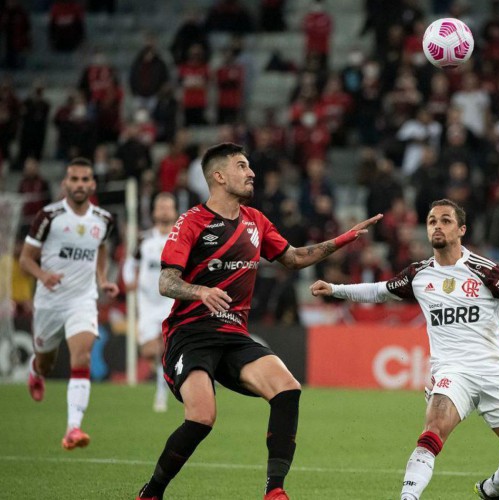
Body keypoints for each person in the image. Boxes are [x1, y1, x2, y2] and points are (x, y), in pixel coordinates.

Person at [136, 143, 382, 500]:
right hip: (190, 334)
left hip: (233, 335)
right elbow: (166, 282)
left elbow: (294, 258)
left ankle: (275, 491)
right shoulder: (191, 222)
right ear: (219, 177)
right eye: (242, 166)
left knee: (287, 388)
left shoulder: (256, 221)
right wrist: (200, 292)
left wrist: (343, 239)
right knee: (202, 418)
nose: (251, 173)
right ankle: (152, 493)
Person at [310, 199, 499, 500]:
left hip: (495, 372)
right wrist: (335, 290)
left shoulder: (486, 271)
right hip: (452, 373)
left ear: (461, 230)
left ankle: (489, 490)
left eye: (445, 221)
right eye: (431, 221)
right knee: (432, 431)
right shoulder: (419, 274)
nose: (437, 226)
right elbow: (381, 290)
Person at [18, 157, 119, 450]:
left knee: (82, 357)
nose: (79, 185)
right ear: (65, 183)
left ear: (93, 184)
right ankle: (36, 371)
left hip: (82, 299)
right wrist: (42, 275)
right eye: (74, 179)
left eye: (85, 179)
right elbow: (25, 258)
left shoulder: (103, 219)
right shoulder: (48, 217)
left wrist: (101, 279)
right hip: (49, 300)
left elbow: (101, 249)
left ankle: (73, 428)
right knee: (47, 362)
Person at [122, 193, 179, 412]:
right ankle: (164, 381)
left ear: (175, 212)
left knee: (163, 347)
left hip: (170, 302)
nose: (164, 210)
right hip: (146, 303)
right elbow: (130, 264)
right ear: (154, 212)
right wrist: (130, 281)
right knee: (148, 352)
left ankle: (161, 393)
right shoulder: (143, 239)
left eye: (168, 206)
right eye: (161, 207)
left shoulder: (180, 238)